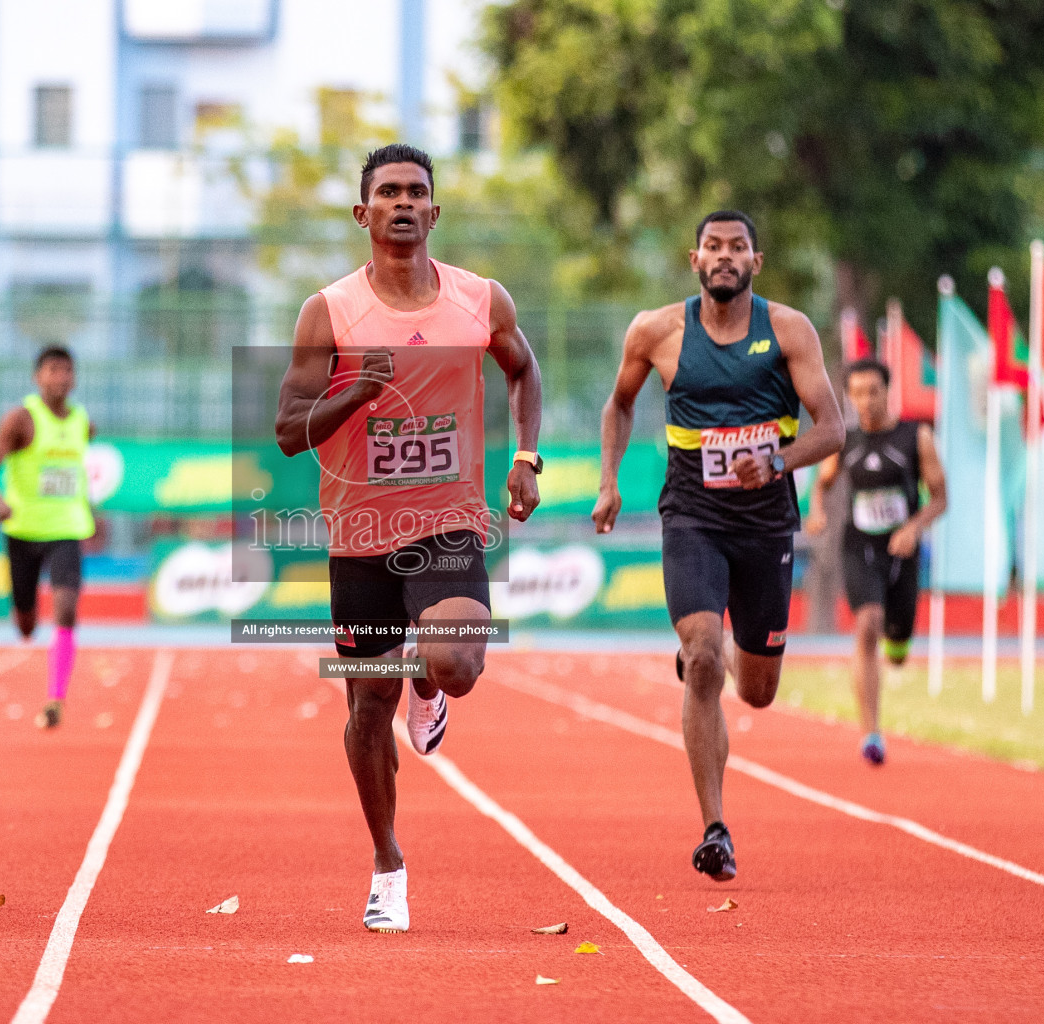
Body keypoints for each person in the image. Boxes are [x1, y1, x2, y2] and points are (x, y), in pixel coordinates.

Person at [275, 144, 542, 933]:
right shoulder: (329, 312)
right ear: (363, 214)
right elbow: (289, 430)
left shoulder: (479, 300)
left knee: (455, 663)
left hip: (449, 522)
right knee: (366, 706)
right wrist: (353, 390)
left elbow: (524, 371)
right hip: (359, 530)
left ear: (434, 211)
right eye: (386, 192)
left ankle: (429, 684)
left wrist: (526, 457)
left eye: (415, 192)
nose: (401, 202)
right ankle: (388, 864)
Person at [592, 210, 844, 882]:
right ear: (694, 259)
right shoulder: (657, 330)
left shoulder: (789, 330)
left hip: (765, 523)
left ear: (756, 261)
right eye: (713, 246)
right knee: (702, 659)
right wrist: (608, 481)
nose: (724, 255)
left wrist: (780, 463)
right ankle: (715, 829)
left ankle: (725, 654)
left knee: (757, 691)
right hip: (692, 516)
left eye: (737, 247)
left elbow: (834, 429)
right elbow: (618, 403)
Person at [806, 359, 947, 765]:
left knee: (897, 647)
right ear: (849, 396)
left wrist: (914, 526)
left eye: (874, 391)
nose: (866, 400)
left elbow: (940, 497)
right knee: (867, 625)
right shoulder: (844, 441)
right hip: (858, 547)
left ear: (888, 391)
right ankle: (871, 731)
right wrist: (817, 512)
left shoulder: (915, 438)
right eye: (858, 392)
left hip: (901, 551)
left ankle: (897, 645)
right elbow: (823, 484)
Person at [0, 345, 95, 730]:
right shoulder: (19, 421)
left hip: (67, 529)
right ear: (37, 377)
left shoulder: (83, 423)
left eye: (67, 371)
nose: (61, 378)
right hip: (23, 531)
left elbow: (74, 473)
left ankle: (56, 698)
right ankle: (25, 618)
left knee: (66, 608)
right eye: (53, 370)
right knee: (26, 624)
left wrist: (88, 507)